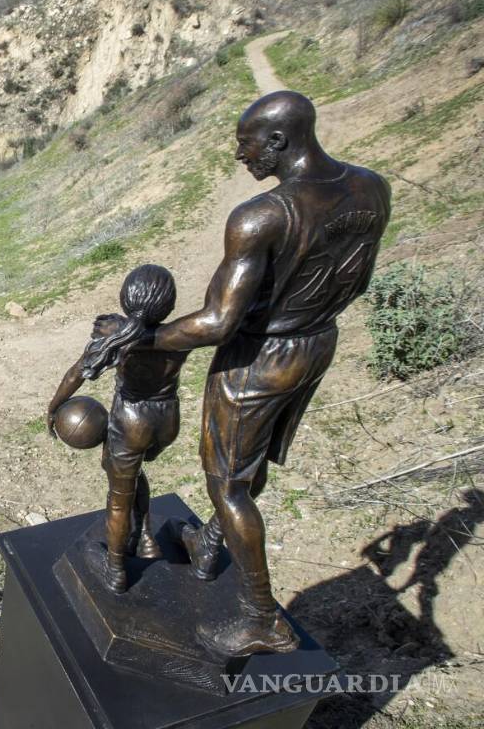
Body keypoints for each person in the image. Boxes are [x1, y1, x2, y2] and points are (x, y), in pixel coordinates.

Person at [140, 91, 390, 655]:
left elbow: (217, 322)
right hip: (317, 342)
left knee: (226, 480)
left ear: (277, 142)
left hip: (259, 359)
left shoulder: (262, 216)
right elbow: (361, 281)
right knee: (247, 461)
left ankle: (261, 618)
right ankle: (210, 543)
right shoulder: (372, 188)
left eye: (245, 144)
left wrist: (144, 339)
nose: (239, 156)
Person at [47, 265, 189, 595]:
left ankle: (114, 568)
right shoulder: (183, 333)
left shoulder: (118, 338)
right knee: (130, 472)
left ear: (124, 300)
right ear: (169, 306)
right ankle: (147, 536)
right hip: (167, 420)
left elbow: (75, 375)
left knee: (118, 497)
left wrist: (54, 407)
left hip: (132, 420)